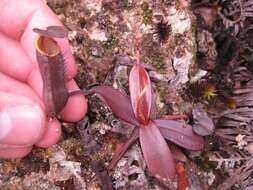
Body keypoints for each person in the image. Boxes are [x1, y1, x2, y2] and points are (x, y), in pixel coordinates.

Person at [0, 0, 87, 158]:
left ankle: (53, 112)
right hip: (53, 101)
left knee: (57, 97)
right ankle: (52, 112)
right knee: (54, 98)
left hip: (57, 100)